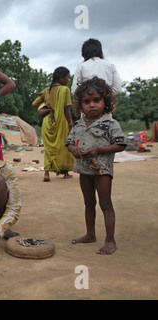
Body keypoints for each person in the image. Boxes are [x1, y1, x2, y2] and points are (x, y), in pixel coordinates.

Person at [66, 77, 127, 255]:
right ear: (81, 104)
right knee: (88, 202)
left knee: (105, 204)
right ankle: (90, 234)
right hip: (84, 170)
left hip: (102, 171)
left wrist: (99, 150)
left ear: (105, 101)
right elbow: (69, 143)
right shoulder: (78, 125)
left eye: (96, 100)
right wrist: (73, 149)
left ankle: (110, 240)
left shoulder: (111, 124)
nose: (91, 105)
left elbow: (121, 144)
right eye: (86, 101)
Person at [32, 66, 74, 182]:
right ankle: (65, 172)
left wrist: (46, 108)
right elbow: (66, 109)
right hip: (61, 122)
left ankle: (46, 174)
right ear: (61, 78)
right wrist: (70, 124)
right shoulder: (65, 90)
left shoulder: (46, 90)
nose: (68, 80)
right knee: (63, 147)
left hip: (47, 122)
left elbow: (34, 104)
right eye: (67, 77)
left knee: (49, 148)